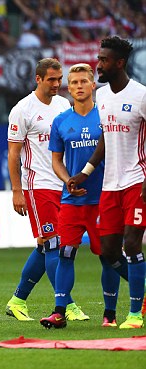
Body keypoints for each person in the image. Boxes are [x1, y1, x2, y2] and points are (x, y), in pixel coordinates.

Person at [40, 63, 127, 329]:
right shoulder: (61, 121)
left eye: (83, 82)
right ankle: (59, 311)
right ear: (69, 87)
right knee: (65, 252)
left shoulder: (105, 116)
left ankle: (110, 314)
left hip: (104, 199)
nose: (78, 86)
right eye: (73, 82)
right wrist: (68, 181)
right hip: (72, 200)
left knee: (109, 256)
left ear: (93, 85)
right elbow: (56, 161)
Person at [68, 36, 146, 329]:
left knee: (132, 245)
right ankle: (142, 287)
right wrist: (86, 172)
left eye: (103, 60)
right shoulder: (102, 96)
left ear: (120, 63)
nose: (98, 64)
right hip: (110, 186)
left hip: (137, 182)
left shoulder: (141, 95)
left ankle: (135, 315)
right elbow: (105, 138)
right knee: (108, 251)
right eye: (98, 58)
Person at [4, 58, 89, 322]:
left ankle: (18, 300)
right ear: (38, 79)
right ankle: (66, 304)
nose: (57, 84)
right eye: (51, 79)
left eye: (59, 79)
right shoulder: (23, 109)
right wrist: (17, 190)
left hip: (62, 185)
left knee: (45, 246)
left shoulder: (65, 105)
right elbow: (13, 153)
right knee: (54, 244)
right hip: (37, 185)